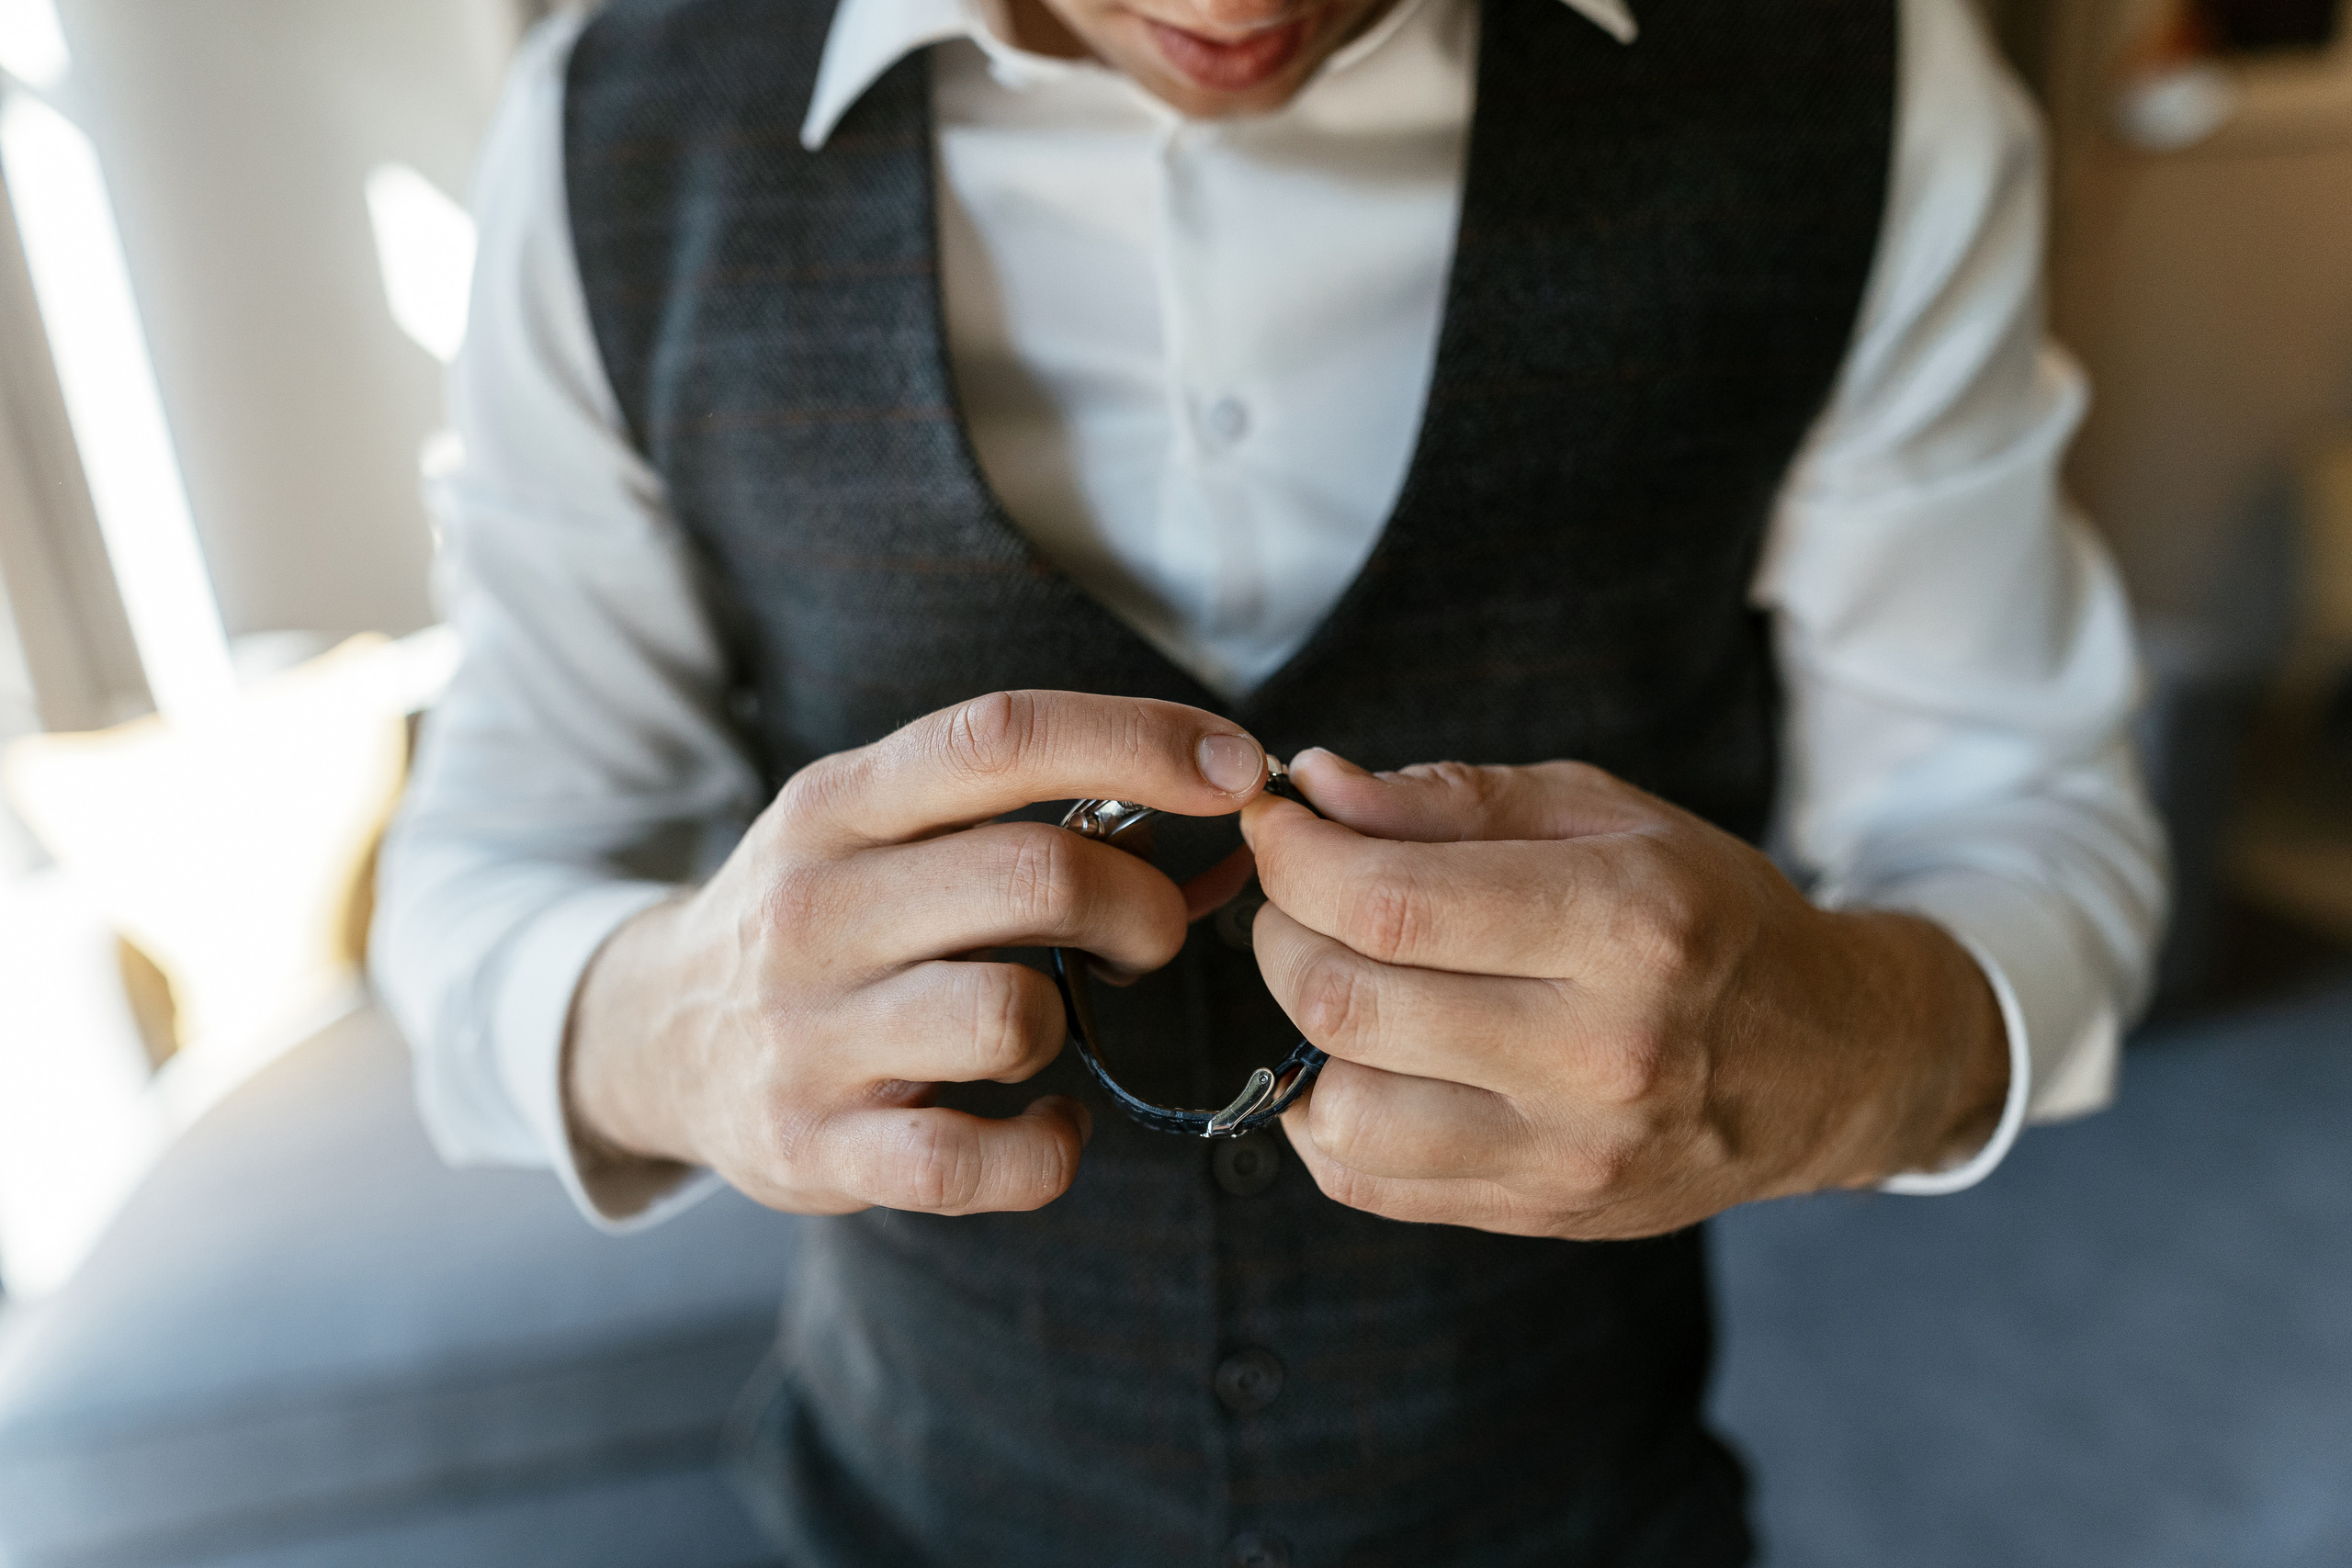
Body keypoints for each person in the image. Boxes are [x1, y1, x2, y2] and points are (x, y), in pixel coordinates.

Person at [374, 0, 2166, 1559]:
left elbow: (2025, 818)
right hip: (914, 1501)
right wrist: (666, 1021)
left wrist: (1850, 1037)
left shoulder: (1858, 79)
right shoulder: (602, 134)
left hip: (1581, 1503)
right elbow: (482, 875)